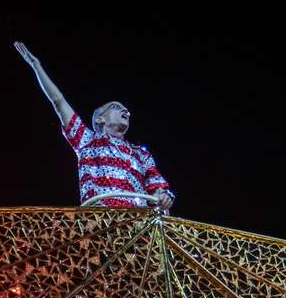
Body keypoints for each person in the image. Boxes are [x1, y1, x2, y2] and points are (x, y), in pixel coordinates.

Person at [13, 41, 174, 210]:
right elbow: (58, 102)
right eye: (116, 107)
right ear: (100, 119)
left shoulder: (141, 153)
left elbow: (158, 190)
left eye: (125, 108)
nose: (125, 110)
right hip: (100, 221)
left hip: (134, 225)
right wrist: (36, 67)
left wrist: (163, 198)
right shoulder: (87, 140)